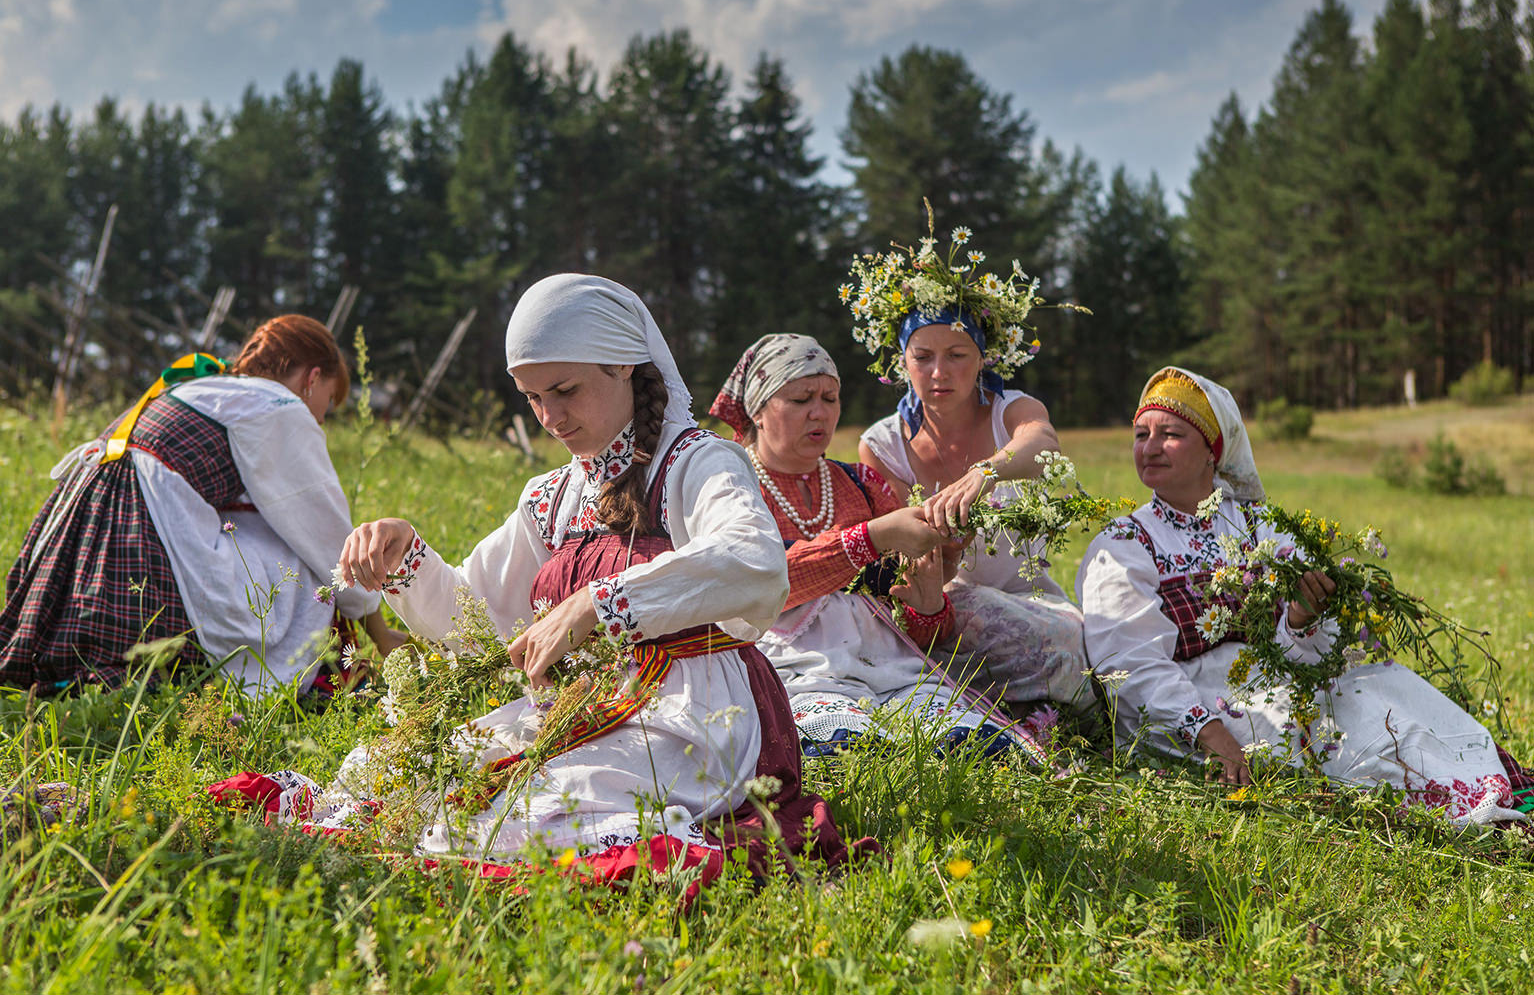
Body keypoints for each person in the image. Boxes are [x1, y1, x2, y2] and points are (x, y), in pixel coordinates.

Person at [286, 274, 868, 876]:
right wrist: (406, 554)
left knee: (541, 812)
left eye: (565, 390)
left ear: (624, 366)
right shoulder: (553, 498)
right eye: (532, 397)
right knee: (391, 776)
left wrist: (600, 601)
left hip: (697, 710)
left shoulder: (696, 462)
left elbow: (754, 560)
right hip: (586, 704)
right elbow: (473, 620)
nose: (550, 417)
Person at [1076, 366, 1525, 825]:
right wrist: (1210, 733)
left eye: (1170, 434)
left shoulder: (1257, 526)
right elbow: (1129, 665)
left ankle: (1498, 793)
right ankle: (1473, 814)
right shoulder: (1126, 544)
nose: (1149, 447)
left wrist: (1300, 619)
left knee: (1384, 693)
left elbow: (1305, 652)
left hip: (1276, 682)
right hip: (1192, 707)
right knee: (1345, 736)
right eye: (1140, 434)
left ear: (1213, 451)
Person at [0, 315, 403, 692]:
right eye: (327, 405)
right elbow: (328, 538)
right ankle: (315, 677)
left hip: (87, 511)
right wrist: (381, 634)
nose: (320, 421)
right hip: (140, 515)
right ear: (313, 379)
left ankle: (76, 674)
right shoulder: (279, 407)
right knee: (303, 567)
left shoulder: (207, 390)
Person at [709, 333, 1052, 762]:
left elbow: (919, 629)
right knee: (845, 750)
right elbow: (759, 583)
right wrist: (872, 537)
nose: (820, 412)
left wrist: (927, 606)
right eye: (800, 400)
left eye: (830, 398)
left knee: (982, 749)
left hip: (890, 668)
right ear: (758, 411)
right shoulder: (732, 486)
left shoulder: (861, 484)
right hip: (796, 670)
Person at [857, 308, 1091, 713]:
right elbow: (897, 559)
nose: (938, 372)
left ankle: (1015, 709)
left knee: (1068, 641)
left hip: (1032, 605)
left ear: (982, 358)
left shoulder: (1010, 411)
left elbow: (1044, 442)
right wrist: (943, 554)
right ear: (902, 362)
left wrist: (986, 472)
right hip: (938, 611)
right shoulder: (882, 444)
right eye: (923, 357)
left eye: (957, 355)